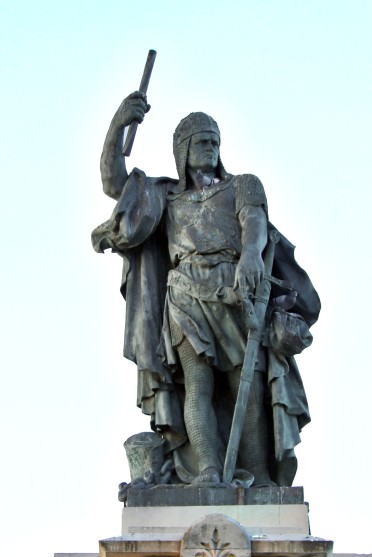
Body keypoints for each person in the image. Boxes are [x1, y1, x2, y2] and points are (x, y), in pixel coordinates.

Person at [92, 91, 320, 486]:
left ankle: (259, 477)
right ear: (183, 150)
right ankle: (209, 472)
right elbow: (114, 182)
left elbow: (254, 222)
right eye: (201, 141)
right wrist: (119, 124)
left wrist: (251, 254)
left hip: (235, 291)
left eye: (214, 140)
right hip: (185, 295)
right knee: (197, 384)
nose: (210, 147)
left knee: (246, 385)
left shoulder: (244, 185)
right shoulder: (165, 197)